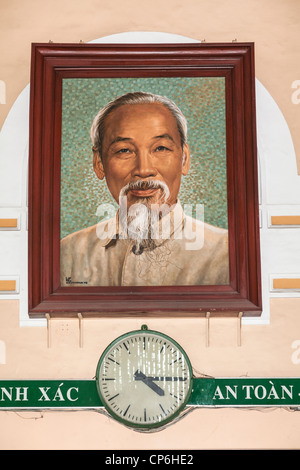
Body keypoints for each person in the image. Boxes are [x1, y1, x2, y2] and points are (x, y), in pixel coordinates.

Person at [60, 92, 229, 286]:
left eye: (160, 148)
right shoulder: (68, 253)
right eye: (124, 150)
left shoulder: (225, 253)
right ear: (99, 163)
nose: (144, 170)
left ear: (184, 159)